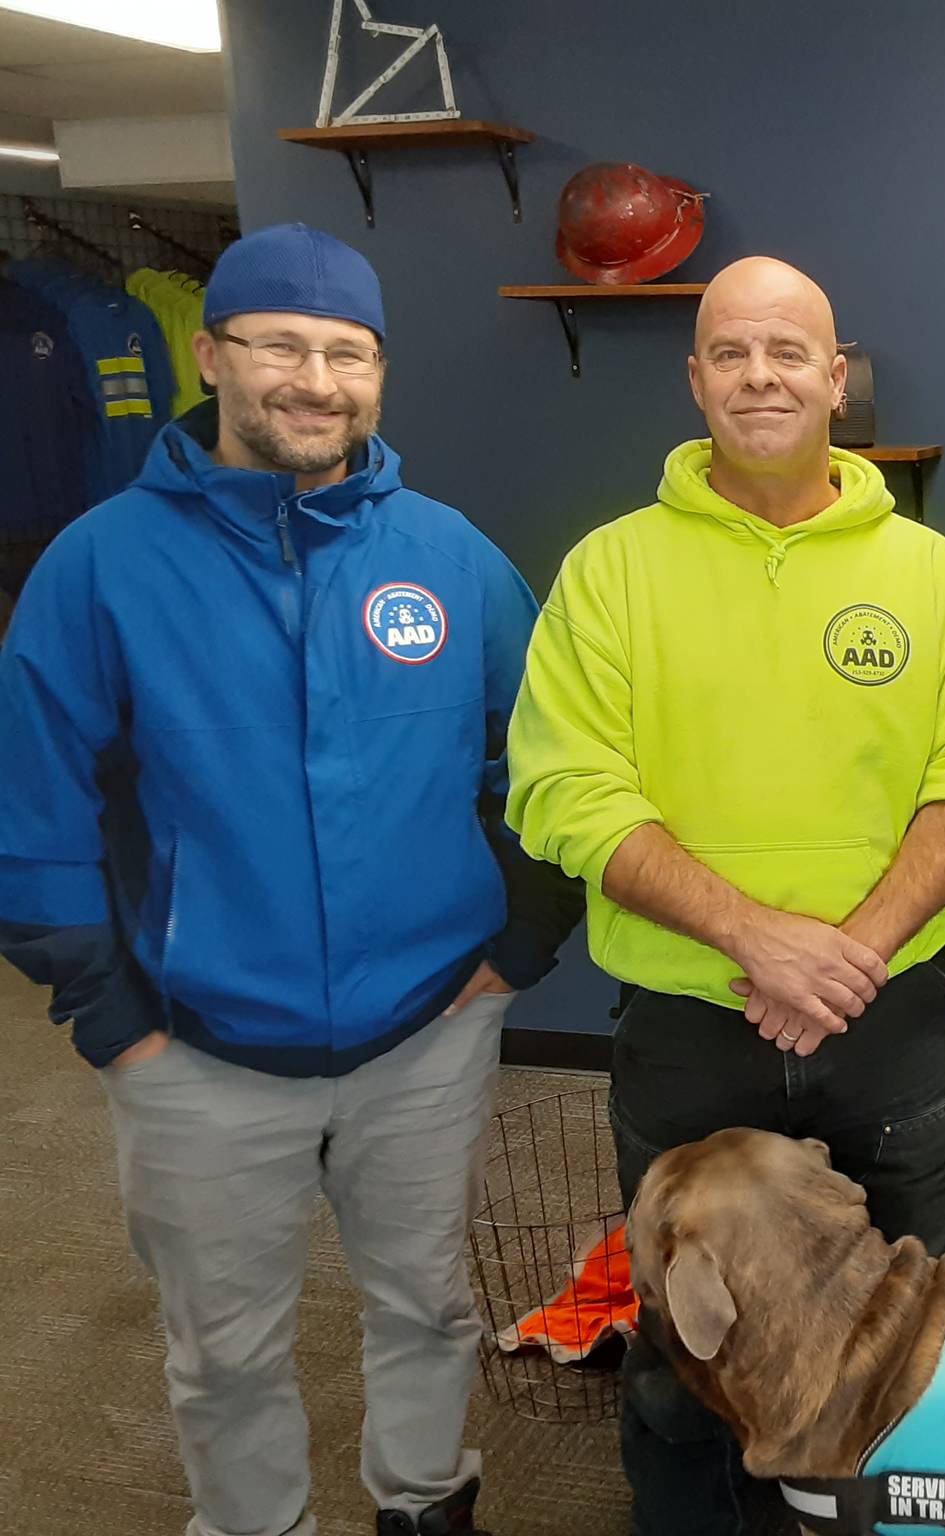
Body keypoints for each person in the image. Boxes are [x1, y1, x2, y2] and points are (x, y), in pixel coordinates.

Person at [0, 223, 583, 1536]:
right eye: (279, 345)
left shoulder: (449, 558)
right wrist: (113, 1019)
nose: (314, 379)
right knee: (224, 1353)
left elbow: (558, 766)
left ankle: (424, 1506)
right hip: (193, 1049)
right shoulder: (99, 567)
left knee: (429, 1308)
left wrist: (520, 945)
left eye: (348, 352)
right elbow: (30, 824)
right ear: (211, 357)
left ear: (378, 373)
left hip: (427, 1033)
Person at [506, 255, 945, 1536]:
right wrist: (756, 939)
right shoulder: (610, 573)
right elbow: (563, 789)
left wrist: (844, 953)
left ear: (835, 377)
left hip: (888, 1025)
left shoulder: (926, 571)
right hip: (691, 1037)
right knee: (689, 1364)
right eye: (731, 352)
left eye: (789, 351)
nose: (761, 375)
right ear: (694, 381)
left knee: (912, 1345)